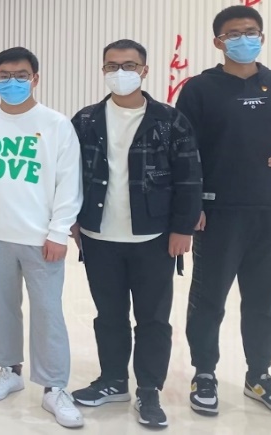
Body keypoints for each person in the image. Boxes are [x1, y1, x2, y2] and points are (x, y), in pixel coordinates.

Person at [176, 6, 271, 418]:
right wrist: (193, 205)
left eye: (251, 32)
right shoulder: (199, 89)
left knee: (264, 301)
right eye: (234, 34)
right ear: (218, 42)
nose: (243, 39)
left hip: (270, 211)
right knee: (209, 300)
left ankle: (259, 376)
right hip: (218, 213)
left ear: (262, 37)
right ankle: (204, 373)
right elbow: (184, 151)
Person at [68, 40, 202, 429]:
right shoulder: (86, 120)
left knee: (153, 319)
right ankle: (113, 381)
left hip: (153, 238)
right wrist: (72, 220)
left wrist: (182, 228)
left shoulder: (169, 120)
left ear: (144, 70)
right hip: (98, 236)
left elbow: (190, 176)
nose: (120, 72)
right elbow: (69, 174)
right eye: (112, 66)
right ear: (103, 70)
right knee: (109, 315)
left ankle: (148, 389)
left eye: (129, 65)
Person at [0, 47, 84, 429]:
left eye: (21, 75)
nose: (12, 82)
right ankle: (10, 370)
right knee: (2, 306)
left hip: (41, 238)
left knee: (48, 312)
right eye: (4, 76)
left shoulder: (56, 124)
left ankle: (54, 387)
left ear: (35, 78)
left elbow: (69, 183)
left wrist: (59, 231)